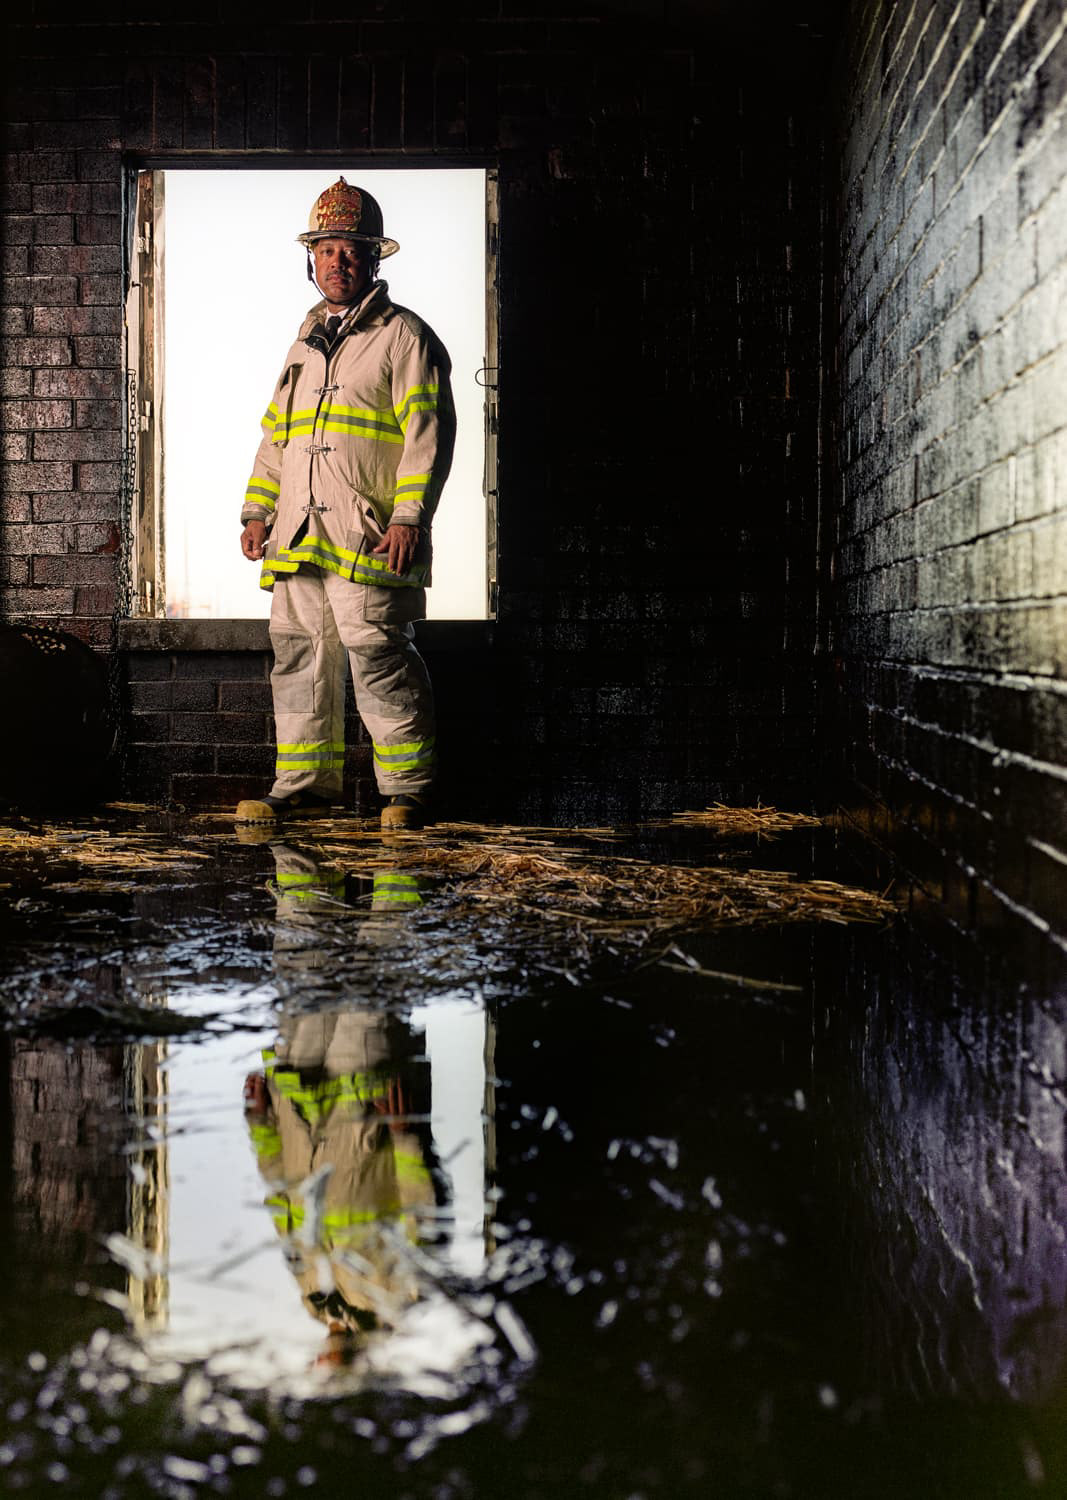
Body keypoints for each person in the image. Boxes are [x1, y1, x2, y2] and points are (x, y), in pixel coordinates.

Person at [235, 177, 456, 831]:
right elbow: (278, 437)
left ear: (374, 258)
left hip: (369, 533)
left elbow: (427, 435)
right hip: (298, 532)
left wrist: (409, 516)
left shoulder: (404, 337)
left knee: (378, 652)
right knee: (297, 654)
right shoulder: (304, 341)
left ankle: (408, 792)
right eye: (327, 249)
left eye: (351, 249)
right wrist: (256, 510)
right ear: (312, 259)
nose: (338, 261)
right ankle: (303, 785)